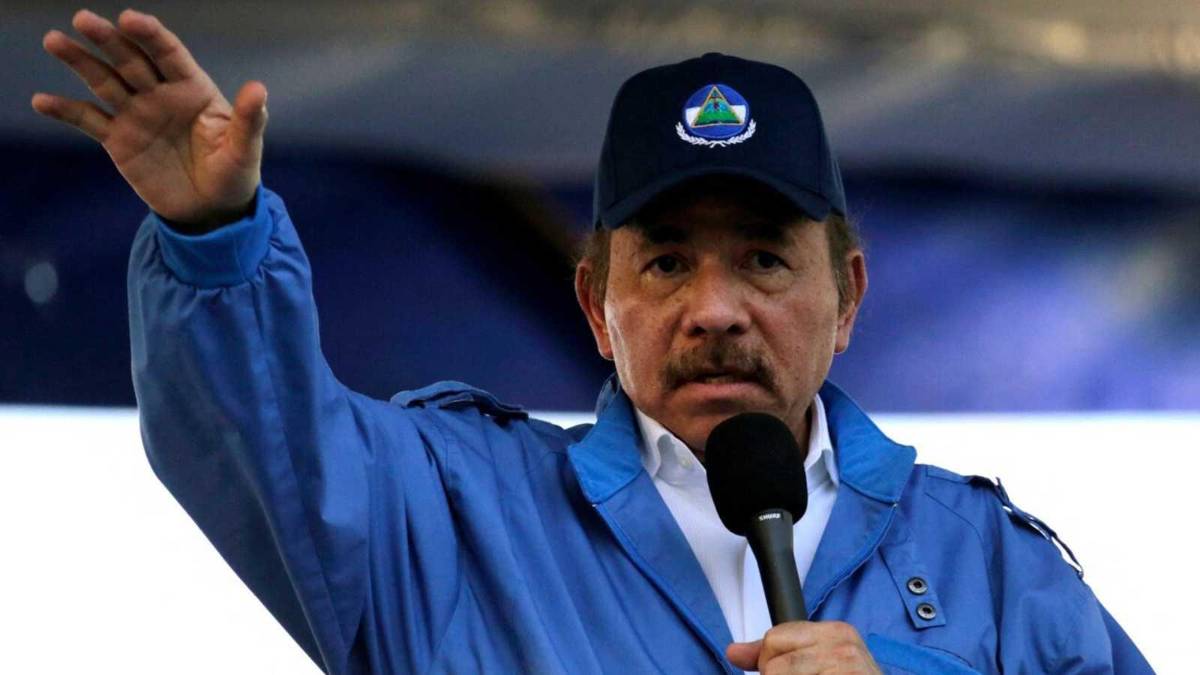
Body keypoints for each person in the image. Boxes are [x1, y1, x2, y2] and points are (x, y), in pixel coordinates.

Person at [34, 8, 1153, 675]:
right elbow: (265, 445)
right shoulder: (451, 517)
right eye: (664, 263)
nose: (714, 309)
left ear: (848, 296)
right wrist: (215, 238)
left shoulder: (991, 566)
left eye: (764, 259)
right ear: (593, 305)